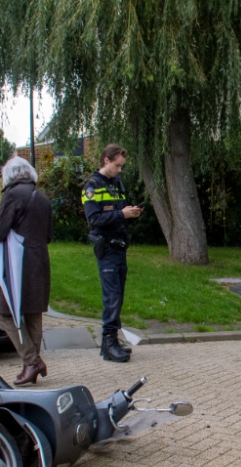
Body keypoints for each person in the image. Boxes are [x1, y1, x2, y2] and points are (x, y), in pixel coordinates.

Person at [0, 156, 53, 385]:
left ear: (10, 175)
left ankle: (31, 362)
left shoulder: (13, 195)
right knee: (34, 315)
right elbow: (48, 235)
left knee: (4, 312)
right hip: (40, 260)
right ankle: (31, 366)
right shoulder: (43, 197)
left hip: (17, 263)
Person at [82, 144, 143, 363]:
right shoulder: (92, 186)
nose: (119, 170)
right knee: (112, 296)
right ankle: (108, 343)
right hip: (106, 247)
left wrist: (131, 212)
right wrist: (121, 214)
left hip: (120, 247)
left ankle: (113, 341)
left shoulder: (117, 184)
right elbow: (94, 220)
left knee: (118, 295)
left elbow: (120, 211)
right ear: (106, 161)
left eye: (121, 166)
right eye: (117, 165)